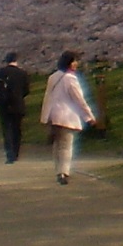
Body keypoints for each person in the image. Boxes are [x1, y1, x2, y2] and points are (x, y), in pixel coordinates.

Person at [40, 53, 97, 185]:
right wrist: (89, 116)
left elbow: (47, 98)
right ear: (69, 63)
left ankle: (58, 170)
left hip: (53, 116)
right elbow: (79, 100)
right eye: (75, 61)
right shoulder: (70, 79)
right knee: (66, 146)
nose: (76, 64)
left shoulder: (53, 77)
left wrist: (45, 117)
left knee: (57, 145)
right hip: (67, 116)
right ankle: (64, 172)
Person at [0, 52, 31, 163]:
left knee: (6, 130)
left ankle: (9, 154)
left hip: (4, 105)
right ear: (16, 60)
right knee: (17, 129)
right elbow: (26, 90)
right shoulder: (23, 73)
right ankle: (16, 153)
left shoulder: (0, 72)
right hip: (18, 105)